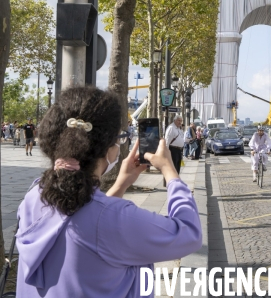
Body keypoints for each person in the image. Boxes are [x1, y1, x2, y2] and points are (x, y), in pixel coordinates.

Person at [16, 86, 201, 298]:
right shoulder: (115, 218)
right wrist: (170, 171)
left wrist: (120, 185)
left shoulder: (34, 196)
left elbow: (86, 223)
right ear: (108, 149)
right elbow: (189, 233)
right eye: (120, 138)